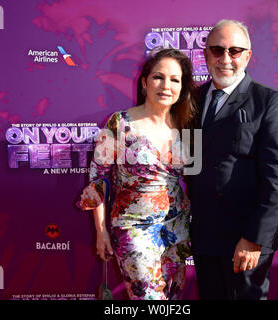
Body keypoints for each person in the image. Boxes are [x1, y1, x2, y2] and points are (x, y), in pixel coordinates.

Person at [188, 19, 278, 300]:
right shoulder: (191, 99)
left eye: (235, 51)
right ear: (205, 54)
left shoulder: (270, 102)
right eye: (217, 50)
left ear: (247, 56)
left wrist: (254, 238)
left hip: (246, 239)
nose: (225, 59)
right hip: (204, 237)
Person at [78, 48, 197, 300]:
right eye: (158, 77)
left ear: (182, 88)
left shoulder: (187, 127)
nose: (166, 86)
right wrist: (101, 231)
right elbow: (98, 178)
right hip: (133, 229)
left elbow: (196, 181)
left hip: (175, 230)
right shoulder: (119, 123)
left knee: (172, 298)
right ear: (144, 83)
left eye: (175, 80)